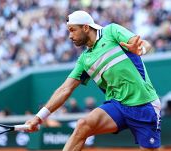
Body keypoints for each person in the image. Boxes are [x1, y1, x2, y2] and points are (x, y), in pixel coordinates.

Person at [25, 10, 161, 151]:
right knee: (83, 125)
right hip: (117, 105)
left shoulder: (111, 31)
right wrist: (39, 117)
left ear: (85, 27)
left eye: (73, 30)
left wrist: (140, 49)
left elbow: (144, 44)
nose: (70, 36)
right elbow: (65, 89)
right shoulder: (84, 60)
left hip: (145, 106)